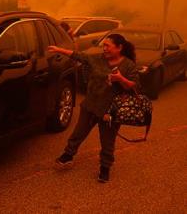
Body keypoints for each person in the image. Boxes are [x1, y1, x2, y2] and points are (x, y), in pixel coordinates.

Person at [48, 33, 139, 183]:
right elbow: (79, 56)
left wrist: (120, 79)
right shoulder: (97, 59)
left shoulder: (128, 65)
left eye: (108, 46)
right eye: (103, 45)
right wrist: (59, 50)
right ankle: (68, 155)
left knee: (107, 141)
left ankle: (105, 168)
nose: (104, 49)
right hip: (91, 105)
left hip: (111, 111)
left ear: (119, 48)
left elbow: (135, 86)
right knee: (79, 133)